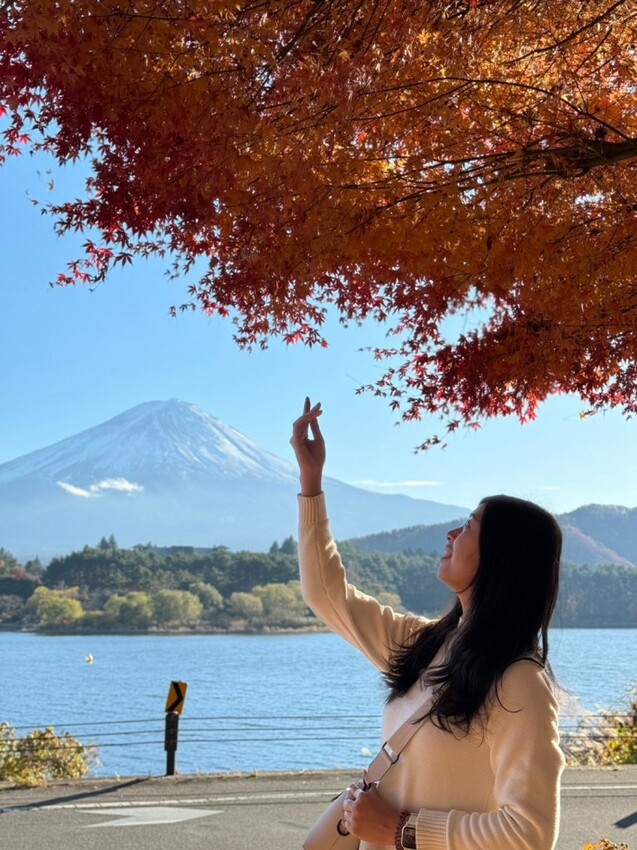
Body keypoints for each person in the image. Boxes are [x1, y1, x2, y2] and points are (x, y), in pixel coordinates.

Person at [290, 398, 565, 850]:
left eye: (468, 527)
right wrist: (311, 482)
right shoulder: (426, 645)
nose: (451, 535)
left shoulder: (520, 683)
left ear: (500, 557)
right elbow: (327, 594)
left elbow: (530, 834)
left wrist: (403, 830)